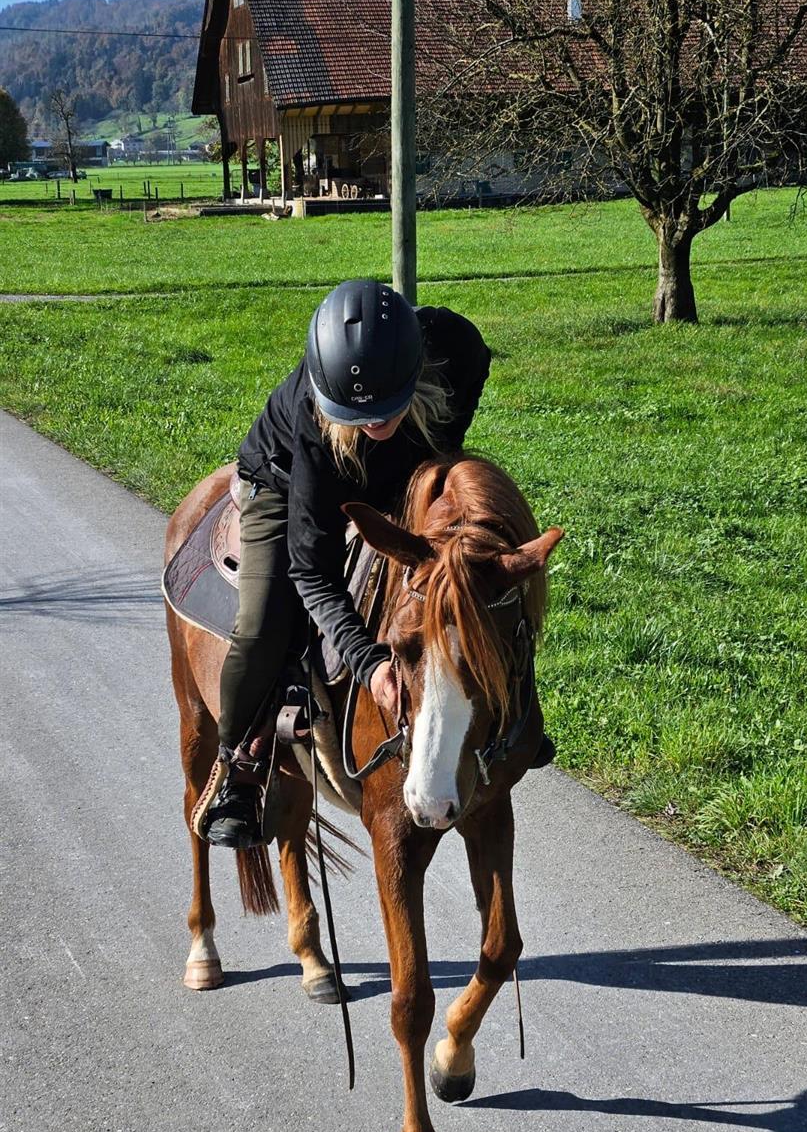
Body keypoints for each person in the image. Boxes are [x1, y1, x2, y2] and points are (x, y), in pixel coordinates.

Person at [203, 278, 551, 849]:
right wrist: (369, 664)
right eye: (357, 415)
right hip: (287, 485)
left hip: (402, 479)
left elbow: (447, 434)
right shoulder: (314, 424)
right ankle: (238, 766)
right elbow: (310, 568)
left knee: (475, 588)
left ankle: (513, 717)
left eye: (384, 411)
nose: (370, 424)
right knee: (264, 624)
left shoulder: (457, 351)